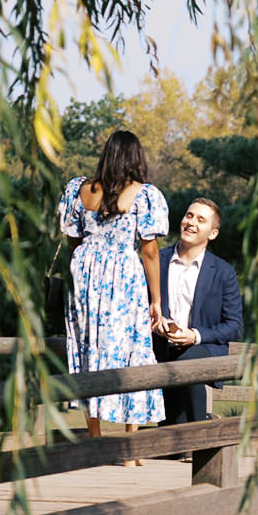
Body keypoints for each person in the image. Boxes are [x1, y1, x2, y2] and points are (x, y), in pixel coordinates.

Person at [59, 129, 169, 448]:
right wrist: (156, 299)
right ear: (136, 158)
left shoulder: (80, 190)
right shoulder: (143, 194)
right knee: (133, 349)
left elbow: (73, 241)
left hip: (83, 273)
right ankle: (130, 446)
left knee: (87, 348)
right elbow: (149, 251)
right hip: (123, 273)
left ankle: (94, 438)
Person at [153, 197, 244, 422]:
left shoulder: (223, 272)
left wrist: (195, 335)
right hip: (161, 349)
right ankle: (203, 422)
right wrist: (154, 323)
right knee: (172, 438)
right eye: (189, 215)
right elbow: (136, 308)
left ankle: (202, 434)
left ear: (212, 233)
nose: (191, 222)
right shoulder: (156, 261)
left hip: (203, 348)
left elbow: (235, 326)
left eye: (201, 220)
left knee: (189, 363)